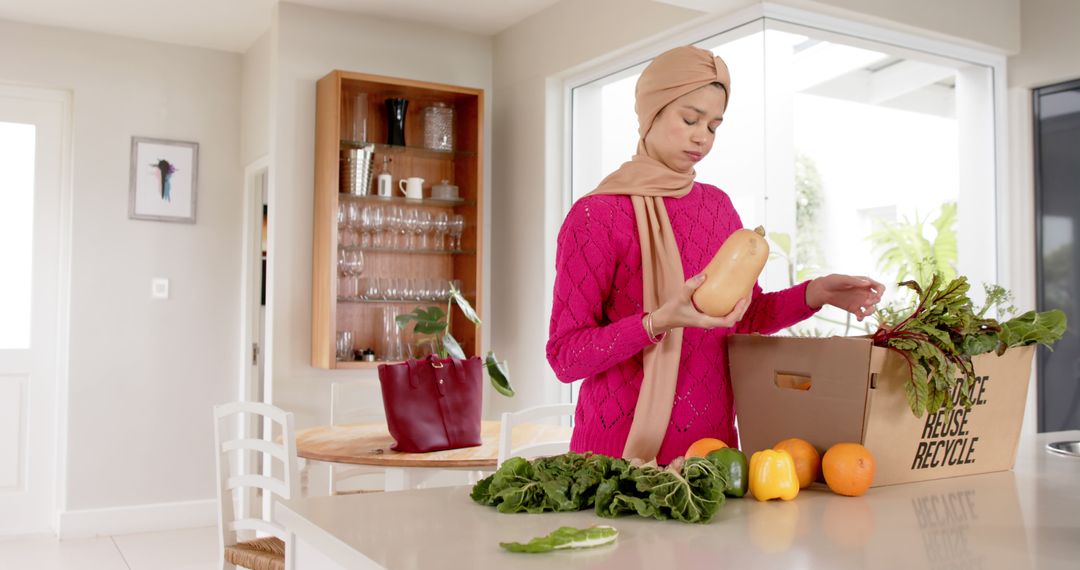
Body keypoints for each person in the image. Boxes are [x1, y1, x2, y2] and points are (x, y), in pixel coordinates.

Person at [546, 45, 884, 465]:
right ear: (652, 112)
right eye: (689, 119)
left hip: (713, 457)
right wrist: (658, 321)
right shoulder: (596, 215)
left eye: (714, 125)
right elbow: (566, 357)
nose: (701, 136)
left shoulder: (717, 207)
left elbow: (745, 315)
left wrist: (816, 293)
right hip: (613, 460)